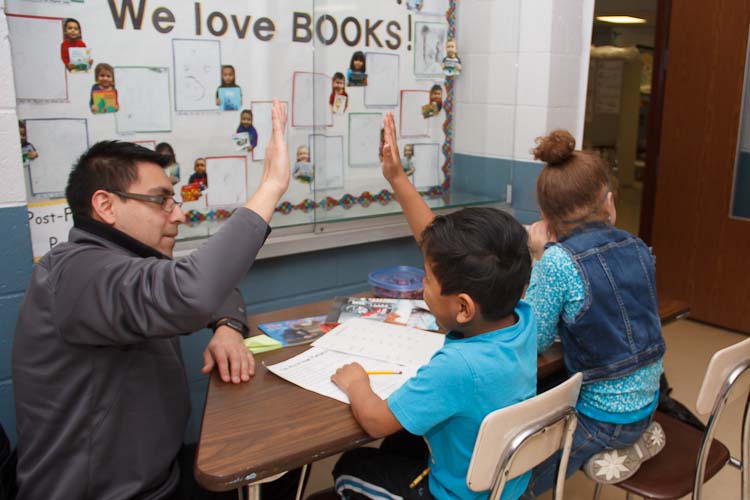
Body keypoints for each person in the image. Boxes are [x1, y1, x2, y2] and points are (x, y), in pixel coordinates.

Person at [12, 100, 306, 500]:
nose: (178, 215)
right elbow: (193, 290)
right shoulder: (80, 273)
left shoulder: (127, 261)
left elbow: (210, 288)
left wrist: (227, 328)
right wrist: (271, 184)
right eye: (161, 200)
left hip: (157, 476)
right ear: (106, 205)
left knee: (276, 456)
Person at [329, 112, 537, 500]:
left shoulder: (457, 369)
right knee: (401, 444)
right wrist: (396, 177)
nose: (422, 284)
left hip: (453, 494)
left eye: (427, 279)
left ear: (463, 308)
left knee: (349, 467)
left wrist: (358, 384)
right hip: (507, 486)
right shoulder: (523, 319)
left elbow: (375, 420)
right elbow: (434, 243)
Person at [522, 130, 666, 496]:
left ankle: (614, 443)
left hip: (604, 418)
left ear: (545, 218)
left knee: (516, 480)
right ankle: (633, 440)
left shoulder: (558, 261)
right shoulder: (638, 246)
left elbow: (535, 339)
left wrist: (539, 256)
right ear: (610, 203)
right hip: (650, 401)